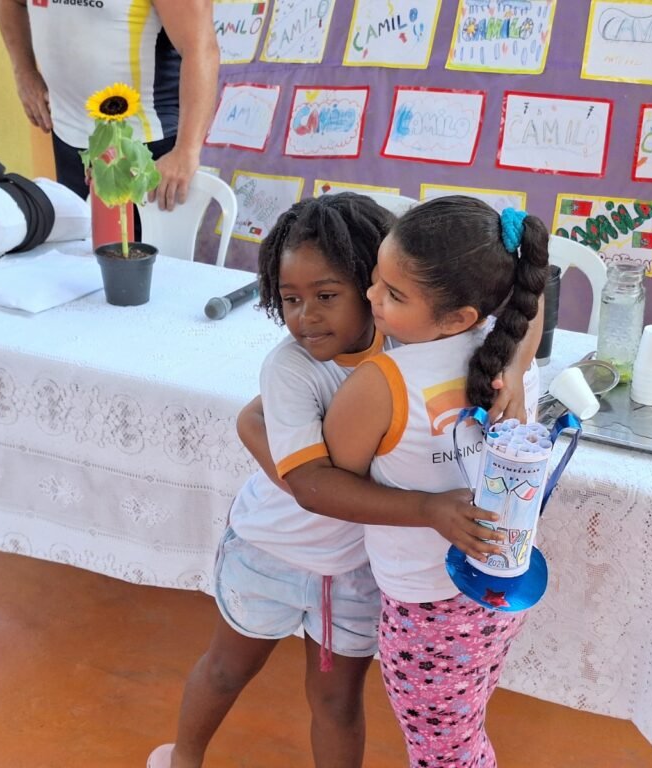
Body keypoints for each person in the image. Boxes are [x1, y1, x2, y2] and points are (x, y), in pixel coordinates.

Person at [147, 194, 509, 768]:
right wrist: (429, 509)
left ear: (376, 285)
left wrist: (513, 364)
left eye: (326, 297)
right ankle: (181, 758)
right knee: (225, 668)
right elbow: (313, 487)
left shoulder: (410, 340)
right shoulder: (291, 366)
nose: (305, 317)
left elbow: (519, 301)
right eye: (290, 299)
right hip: (269, 553)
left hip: (353, 571)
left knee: (338, 702)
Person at [322, 196, 549, 767]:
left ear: (459, 317)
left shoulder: (382, 382)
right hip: (499, 589)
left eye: (394, 295)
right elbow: (533, 299)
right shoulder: (512, 355)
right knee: (461, 731)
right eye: (376, 278)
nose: (371, 297)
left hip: (425, 609)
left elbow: (331, 484)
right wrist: (520, 365)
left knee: (443, 753)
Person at [0, 0, 219, 211]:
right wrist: (24, 72)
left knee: (141, 251)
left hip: (147, 145)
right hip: (67, 136)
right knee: (78, 251)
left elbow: (201, 49)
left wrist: (186, 151)